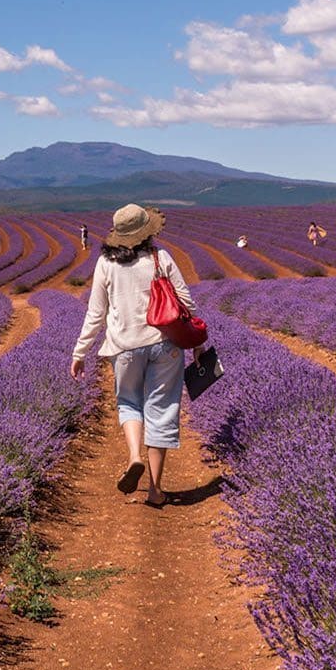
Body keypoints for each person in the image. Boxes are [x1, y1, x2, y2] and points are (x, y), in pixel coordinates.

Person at [72, 204, 200, 509]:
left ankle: (133, 457)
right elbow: (185, 301)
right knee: (162, 408)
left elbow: (96, 313)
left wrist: (80, 352)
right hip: (164, 343)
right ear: (147, 231)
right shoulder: (161, 257)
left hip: (124, 347)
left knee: (128, 402)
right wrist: (197, 340)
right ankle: (156, 489)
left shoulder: (106, 263)